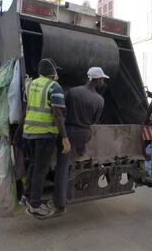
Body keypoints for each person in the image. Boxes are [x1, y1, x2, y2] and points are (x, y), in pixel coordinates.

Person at [51, 67, 108, 214]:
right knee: (80, 150)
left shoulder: (73, 92)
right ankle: (81, 153)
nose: (103, 81)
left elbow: (63, 112)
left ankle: (60, 203)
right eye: (102, 79)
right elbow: (95, 121)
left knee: (62, 167)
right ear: (95, 80)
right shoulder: (100, 100)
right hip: (84, 135)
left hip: (69, 132)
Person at [22, 58, 71, 219]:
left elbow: (25, 107)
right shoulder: (54, 87)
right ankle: (35, 205)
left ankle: (27, 196)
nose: (56, 73)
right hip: (45, 133)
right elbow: (57, 114)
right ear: (52, 72)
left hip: (29, 132)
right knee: (41, 169)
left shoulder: (29, 85)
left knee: (34, 165)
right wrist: (64, 137)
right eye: (55, 70)